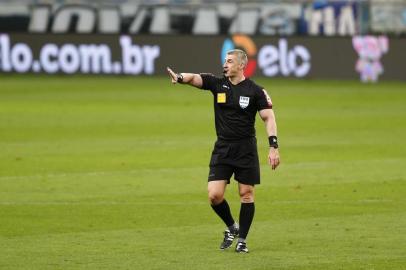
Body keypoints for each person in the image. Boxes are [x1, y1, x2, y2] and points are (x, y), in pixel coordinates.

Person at [167, 49, 280, 253]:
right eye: (225, 61)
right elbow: (196, 78)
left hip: (246, 148)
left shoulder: (255, 91)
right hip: (223, 147)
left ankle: (242, 240)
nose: (225, 65)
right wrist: (181, 77)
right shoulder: (218, 84)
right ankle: (232, 227)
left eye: (229, 61)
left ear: (241, 65)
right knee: (214, 195)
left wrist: (273, 146)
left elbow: (268, 117)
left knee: (246, 194)